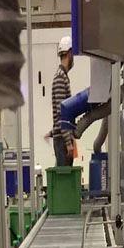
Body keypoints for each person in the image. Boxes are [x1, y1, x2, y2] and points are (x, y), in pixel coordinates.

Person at [50, 35, 74, 167]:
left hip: (62, 138)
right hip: (62, 140)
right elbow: (61, 113)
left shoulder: (62, 76)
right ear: (69, 53)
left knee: (65, 175)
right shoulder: (60, 77)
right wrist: (68, 143)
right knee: (64, 177)